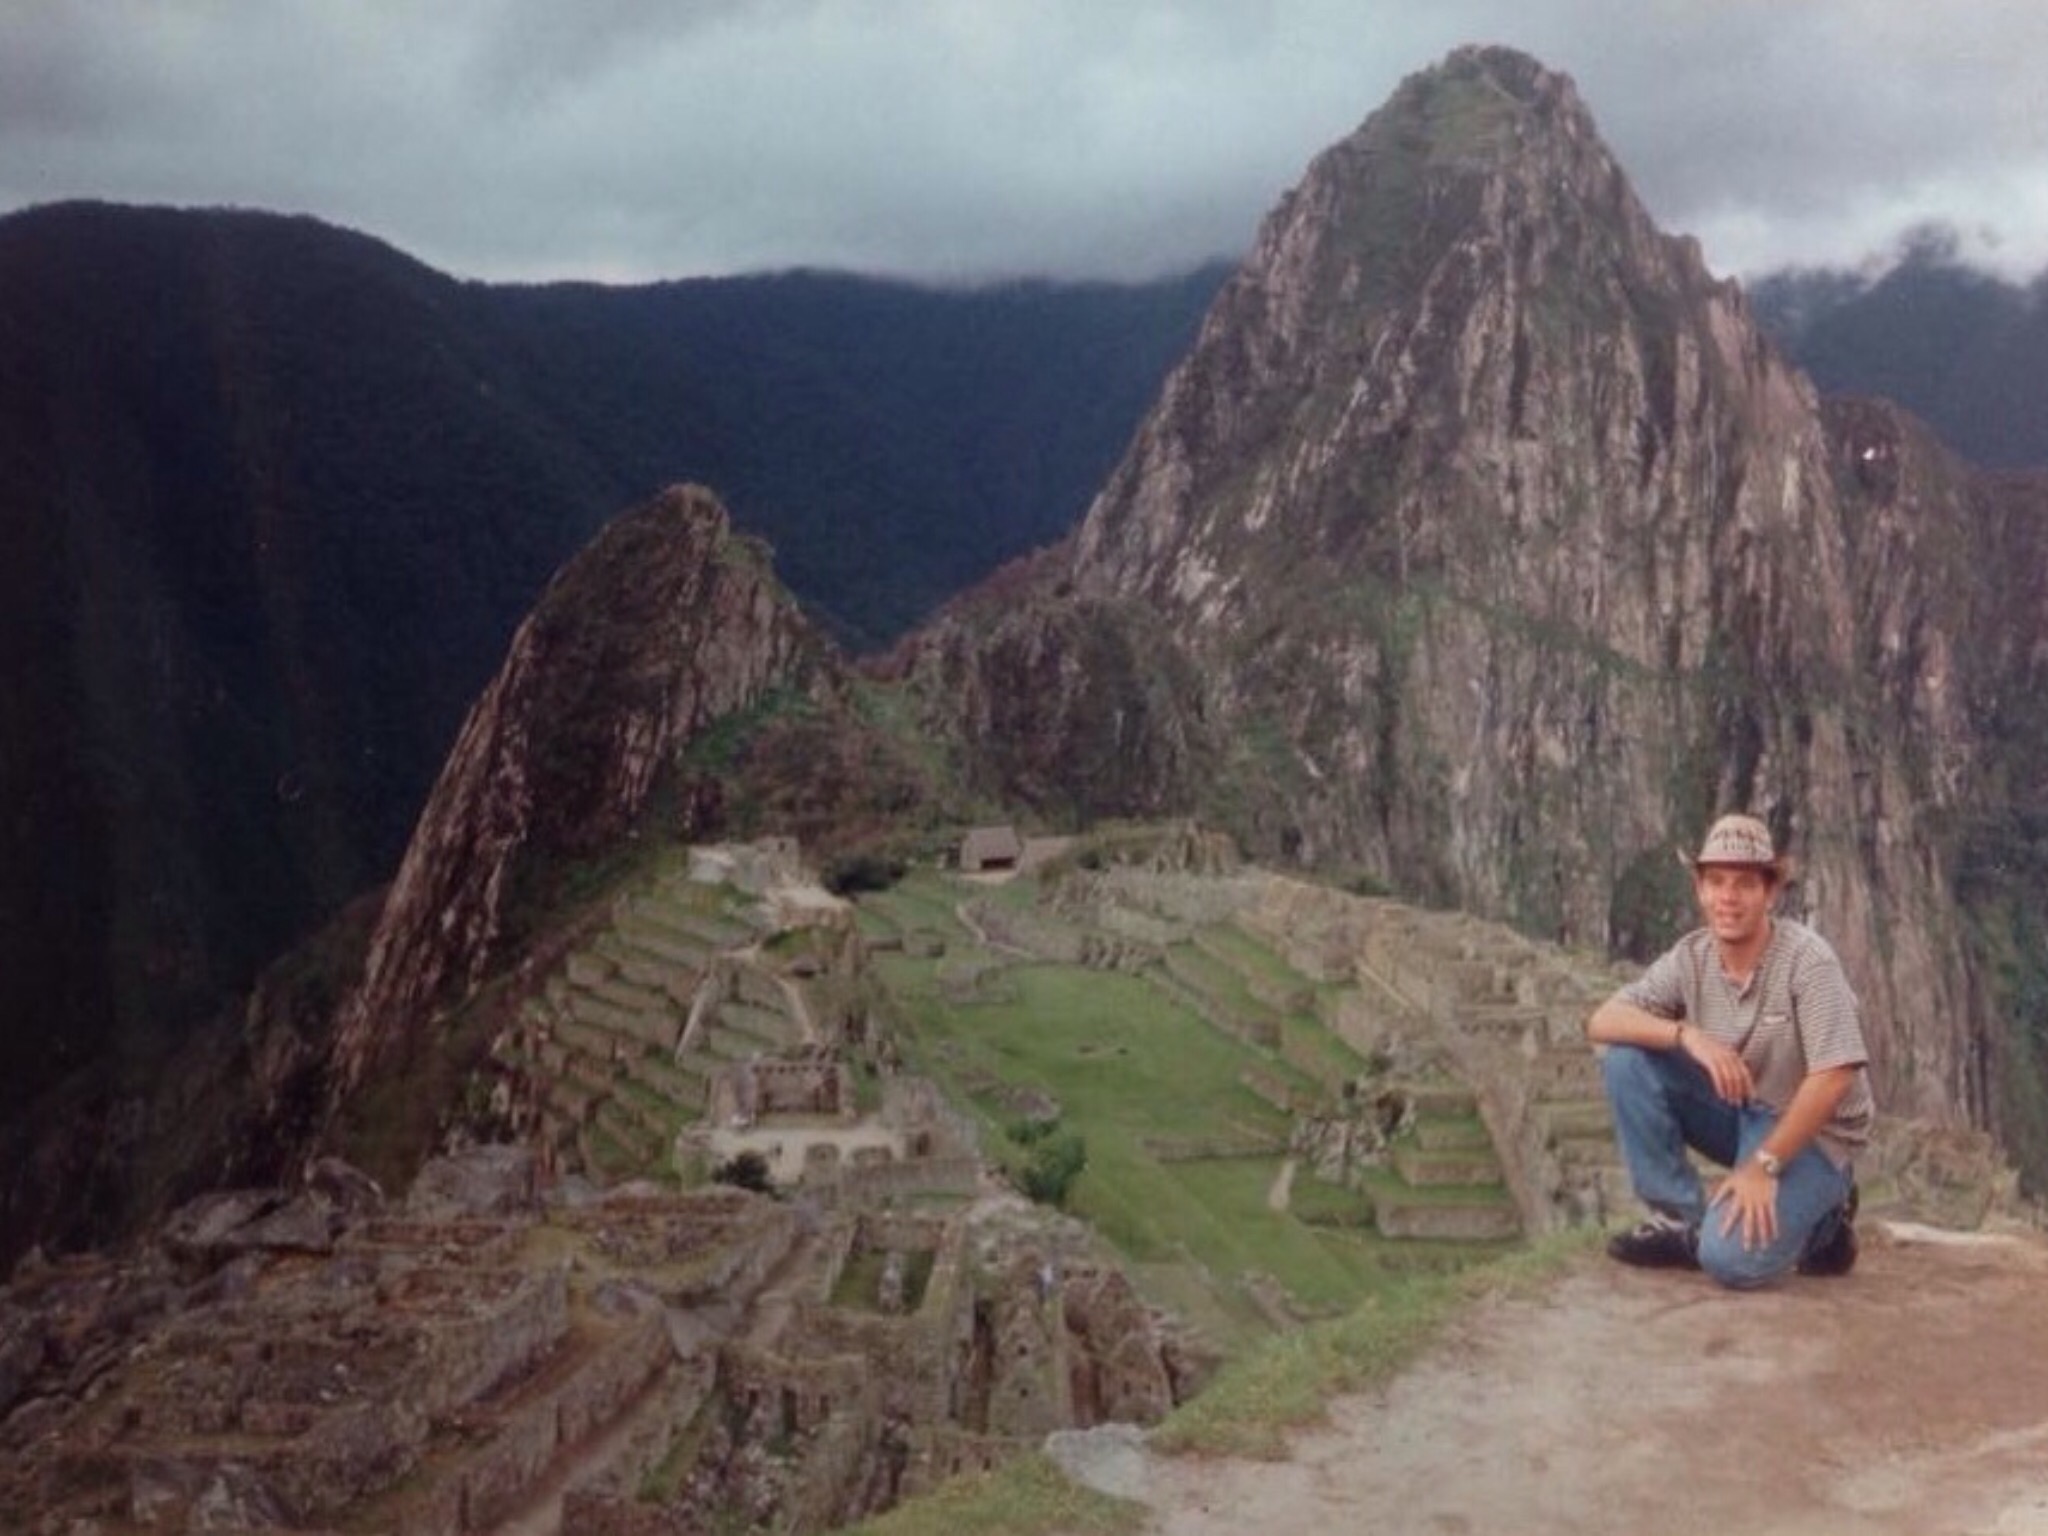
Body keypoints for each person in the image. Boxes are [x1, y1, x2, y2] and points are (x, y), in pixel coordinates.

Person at [1586, 813, 1872, 1286]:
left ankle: (1827, 1223)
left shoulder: (1808, 961)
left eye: (1744, 883)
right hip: (1740, 1108)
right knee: (1627, 1060)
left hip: (1814, 1131)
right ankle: (1678, 1220)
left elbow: (1835, 1075)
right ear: (1700, 889)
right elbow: (1603, 1021)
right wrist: (1687, 1036)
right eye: (1716, 881)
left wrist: (1763, 1166)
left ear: (1770, 893)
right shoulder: (1692, 957)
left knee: (1730, 1260)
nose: (1728, 897)